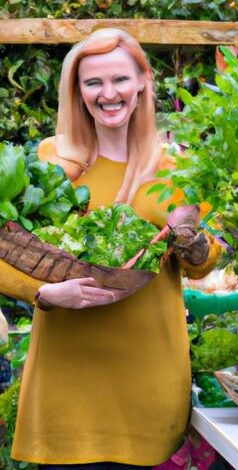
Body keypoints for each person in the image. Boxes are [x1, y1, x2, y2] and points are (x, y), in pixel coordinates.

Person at [0, 28, 220, 469]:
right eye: (93, 82)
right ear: (77, 91)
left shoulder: (178, 165)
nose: (108, 93)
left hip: (147, 375)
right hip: (68, 377)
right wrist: (43, 294)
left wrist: (189, 237)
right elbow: (6, 253)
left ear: (142, 81)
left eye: (119, 79)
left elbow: (204, 264)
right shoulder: (50, 160)